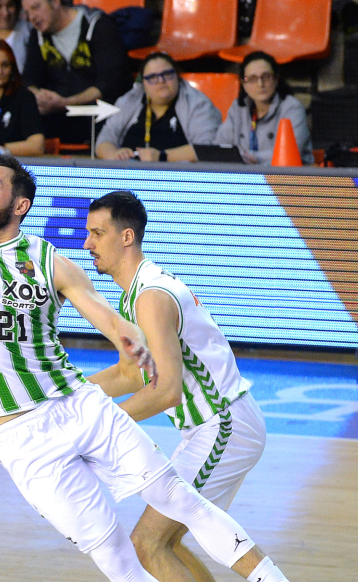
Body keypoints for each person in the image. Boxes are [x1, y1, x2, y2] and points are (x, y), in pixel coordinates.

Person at [0, 17, 292, 582]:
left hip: (79, 406)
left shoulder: (52, 259)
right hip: (18, 435)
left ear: (20, 205)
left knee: (181, 502)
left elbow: (96, 307)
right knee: (115, 557)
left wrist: (120, 333)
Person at [85, 190, 269, 582]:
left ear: (126, 237)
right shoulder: (138, 291)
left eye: (97, 234)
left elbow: (165, 390)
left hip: (222, 427)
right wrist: (69, 394)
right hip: (215, 426)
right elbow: (131, 374)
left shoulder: (150, 297)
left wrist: (99, 423)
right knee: (166, 542)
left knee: (147, 543)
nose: (87, 244)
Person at [21, 0, 129, 145]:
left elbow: (110, 83)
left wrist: (65, 103)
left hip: (96, 111)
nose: (32, 18)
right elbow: (29, 78)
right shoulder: (38, 36)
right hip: (56, 112)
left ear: (55, 1)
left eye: (36, 7)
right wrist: (37, 95)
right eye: (27, 13)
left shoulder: (98, 25)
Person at [96, 52, 219, 161]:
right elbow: (104, 139)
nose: (161, 80)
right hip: (131, 175)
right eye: (152, 77)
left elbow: (206, 150)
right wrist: (114, 154)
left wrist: (162, 156)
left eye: (167, 74)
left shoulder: (198, 104)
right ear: (143, 83)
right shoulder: (129, 100)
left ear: (177, 75)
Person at [215, 51, 312, 165]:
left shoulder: (292, 108)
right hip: (244, 177)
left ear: (276, 79)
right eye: (252, 78)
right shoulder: (237, 108)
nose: (260, 84)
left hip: (284, 178)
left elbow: (287, 154)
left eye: (266, 77)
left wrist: (248, 157)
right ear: (243, 84)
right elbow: (220, 147)